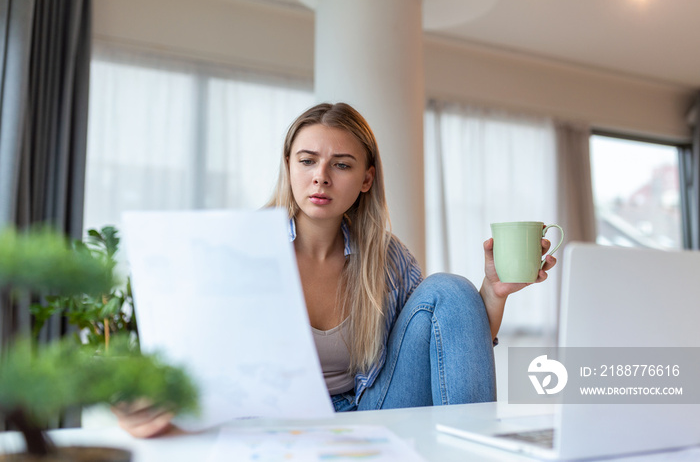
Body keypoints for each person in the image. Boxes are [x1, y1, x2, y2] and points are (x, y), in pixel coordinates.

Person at [113, 102, 556, 437]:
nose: (321, 176)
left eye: (341, 165)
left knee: (453, 290)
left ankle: (471, 452)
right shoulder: (241, 250)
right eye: (307, 160)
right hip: (271, 422)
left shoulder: (390, 260)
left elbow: (439, 347)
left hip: (367, 412)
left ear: (365, 179)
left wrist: (493, 294)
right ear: (288, 166)